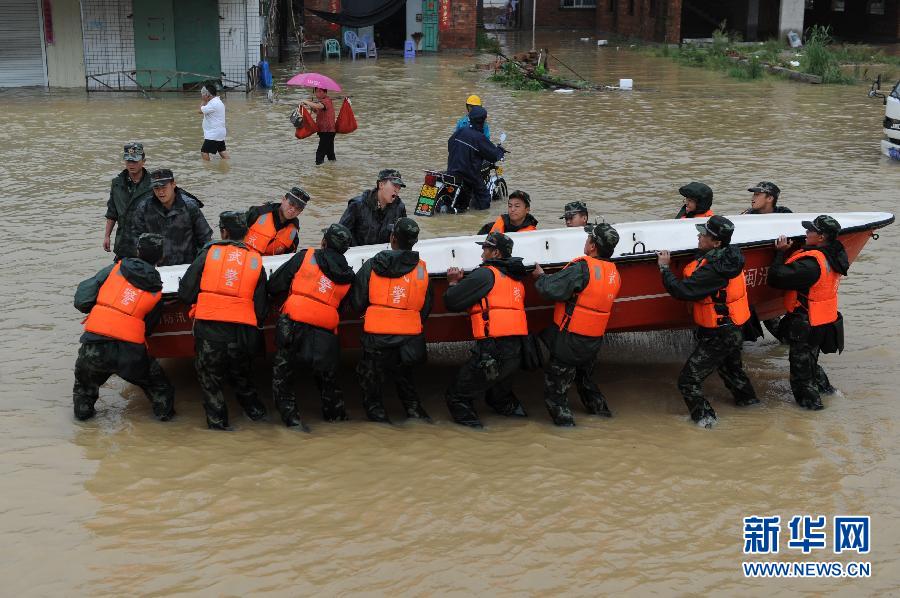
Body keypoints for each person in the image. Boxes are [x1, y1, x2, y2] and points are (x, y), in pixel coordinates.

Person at [657, 215, 759, 428]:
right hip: (732, 328)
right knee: (732, 373)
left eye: (704, 234)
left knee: (687, 381)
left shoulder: (713, 269)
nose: (699, 236)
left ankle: (706, 423)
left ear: (716, 243)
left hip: (720, 334)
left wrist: (665, 269)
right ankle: (752, 409)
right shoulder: (730, 255)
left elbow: (683, 291)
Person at [177, 211, 269, 430]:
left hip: (210, 334)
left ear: (223, 232)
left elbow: (186, 293)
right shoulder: (256, 262)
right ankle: (261, 420)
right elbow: (261, 309)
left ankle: (219, 430)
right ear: (246, 234)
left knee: (211, 383)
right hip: (241, 337)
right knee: (243, 380)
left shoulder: (208, 254)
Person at [72, 233, 175, 422]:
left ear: (137, 251)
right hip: (131, 352)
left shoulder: (113, 269)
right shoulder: (157, 290)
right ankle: (166, 427)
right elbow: (148, 329)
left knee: (84, 391)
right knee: (161, 389)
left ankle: (84, 430)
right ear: (161, 258)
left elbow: (82, 301)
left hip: (95, 344)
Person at [267, 224, 356, 430]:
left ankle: (293, 423)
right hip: (325, 332)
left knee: (283, 376)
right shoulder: (349, 277)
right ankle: (337, 421)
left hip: (294, 324)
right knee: (328, 381)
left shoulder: (306, 256)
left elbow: (275, 284)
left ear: (324, 242)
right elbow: (345, 306)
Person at [533, 223, 621, 426]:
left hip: (570, 341)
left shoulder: (582, 268)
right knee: (585, 381)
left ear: (592, 246)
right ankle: (605, 419)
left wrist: (540, 277)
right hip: (592, 342)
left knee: (555, 390)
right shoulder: (614, 273)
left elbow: (550, 290)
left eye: (588, 238)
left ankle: (568, 432)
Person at [350, 218, 433, 423]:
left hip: (377, 338)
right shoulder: (422, 270)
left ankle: (379, 420)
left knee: (371, 386)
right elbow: (426, 307)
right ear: (414, 242)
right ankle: (416, 416)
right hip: (409, 341)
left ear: (392, 238)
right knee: (407, 384)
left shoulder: (372, 265)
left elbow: (357, 302)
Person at [443, 232, 529, 428]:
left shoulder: (486, 273)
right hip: (515, 353)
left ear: (496, 252)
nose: (482, 254)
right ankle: (524, 431)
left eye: (485, 249)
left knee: (456, 396)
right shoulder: (516, 278)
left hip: (492, 352)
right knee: (500, 398)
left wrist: (453, 282)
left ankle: (478, 442)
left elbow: (452, 301)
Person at [768, 215, 848, 410]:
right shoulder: (834, 255)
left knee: (800, 372)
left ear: (821, 237)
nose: (806, 233)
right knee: (810, 361)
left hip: (805, 322)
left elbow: (776, 278)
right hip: (823, 319)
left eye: (810, 231)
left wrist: (779, 254)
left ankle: (812, 411)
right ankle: (829, 391)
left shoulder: (812, 263)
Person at [130, 168, 213, 266]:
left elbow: (205, 239)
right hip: (157, 268)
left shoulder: (189, 206)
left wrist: (199, 265)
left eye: (164, 187)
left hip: (187, 266)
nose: (160, 192)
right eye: (156, 188)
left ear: (173, 184)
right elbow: (136, 237)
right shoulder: (144, 208)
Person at [447, 106, 506, 211]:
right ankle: (479, 216)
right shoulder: (479, 137)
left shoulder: (460, 131)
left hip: (452, 170)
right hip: (468, 174)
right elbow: (492, 155)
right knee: (484, 196)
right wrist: (500, 151)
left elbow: (449, 143)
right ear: (483, 120)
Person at [105, 142, 154, 260]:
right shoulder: (117, 183)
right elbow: (112, 212)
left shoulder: (153, 184)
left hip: (146, 243)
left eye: (135, 161)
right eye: (128, 161)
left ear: (143, 161)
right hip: (123, 242)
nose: (131, 164)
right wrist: (107, 236)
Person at [339, 169, 408, 246]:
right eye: (394, 185)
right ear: (381, 185)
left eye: (399, 187)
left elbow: (403, 237)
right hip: (358, 253)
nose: (397, 190)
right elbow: (340, 233)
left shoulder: (399, 207)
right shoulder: (357, 205)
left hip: (384, 254)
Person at [244, 187, 308, 255]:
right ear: (283, 200)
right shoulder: (258, 212)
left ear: (301, 211)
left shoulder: (294, 231)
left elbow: (289, 258)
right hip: (244, 259)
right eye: (291, 204)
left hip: (269, 264)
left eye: (298, 208)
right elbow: (233, 231)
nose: (293, 209)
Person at [299, 87, 336, 165]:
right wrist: (309, 105)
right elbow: (317, 111)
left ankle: (319, 172)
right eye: (316, 91)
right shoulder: (321, 101)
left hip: (327, 131)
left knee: (319, 154)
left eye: (320, 91)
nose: (317, 93)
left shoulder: (327, 101)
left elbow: (318, 106)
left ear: (325, 92)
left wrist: (306, 101)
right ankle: (332, 170)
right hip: (325, 131)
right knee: (330, 154)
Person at [199, 85, 228, 160]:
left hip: (213, 134)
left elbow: (199, 111)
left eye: (204, 94)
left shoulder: (213, 104)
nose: (202, 96)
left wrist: (203, 101)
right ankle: (228, 166)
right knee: (222, 151)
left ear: (208, 95)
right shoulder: (217, 101)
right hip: (219, 132)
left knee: (204, 152)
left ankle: (208, 170)